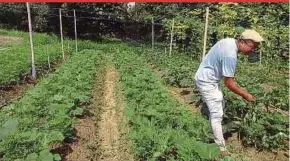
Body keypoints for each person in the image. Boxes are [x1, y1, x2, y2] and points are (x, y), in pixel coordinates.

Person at [194, 29, 264, 152]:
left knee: (220, 103)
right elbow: (229, 83)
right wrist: (245, 94)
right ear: (242, 42)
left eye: (255, 49)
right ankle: (220, 148)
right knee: (217, 114)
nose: (252, 51)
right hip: (207, 81)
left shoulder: (229, 41)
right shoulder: (230, 55)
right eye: (251, 47)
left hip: (207, 76)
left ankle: (213, 126)